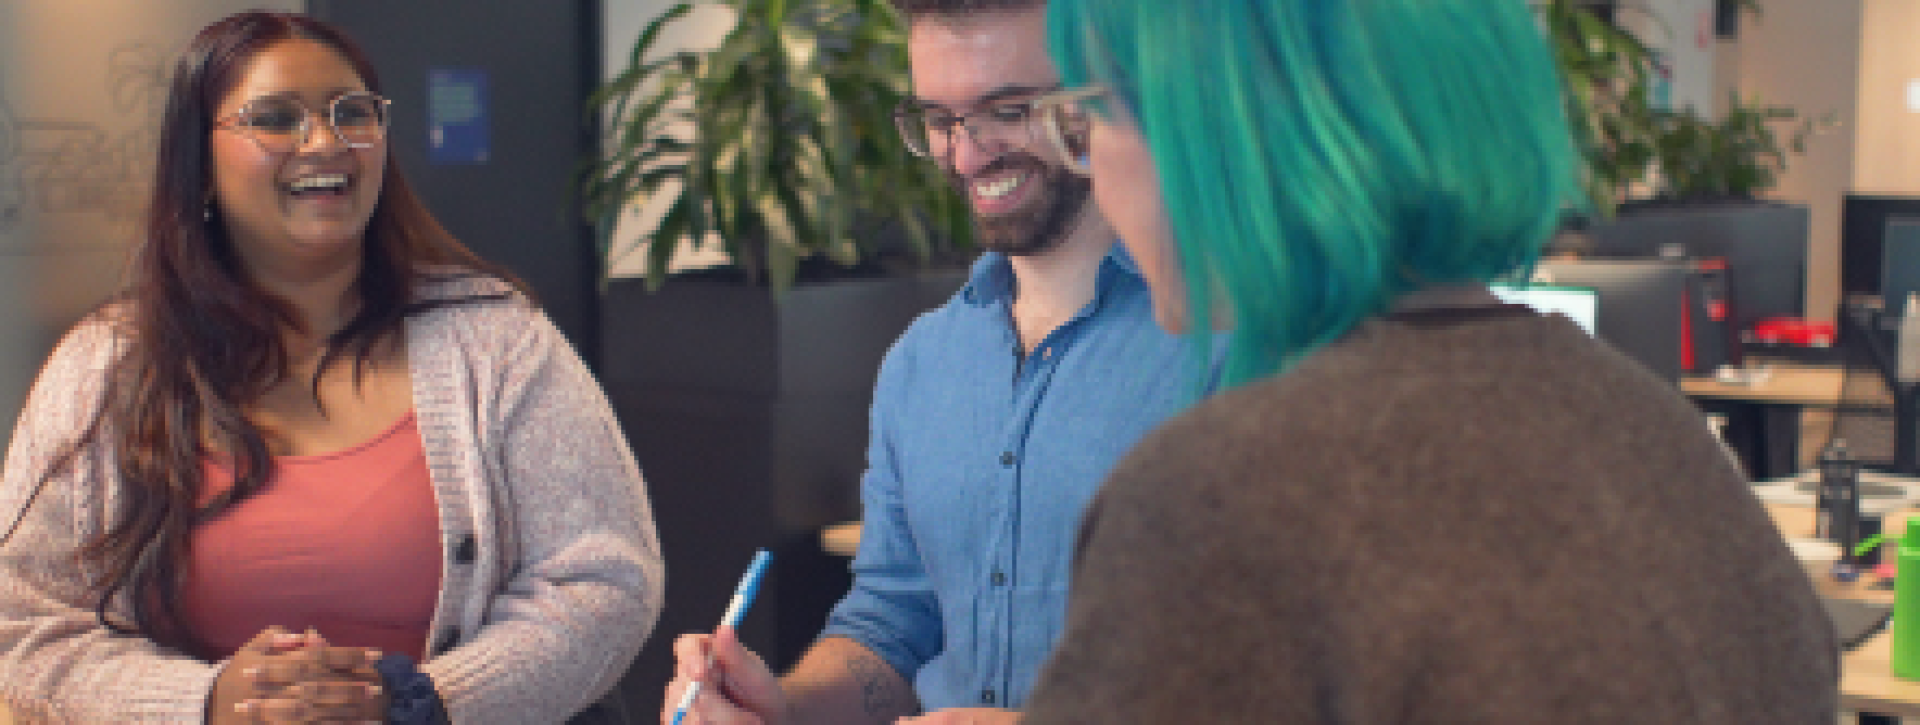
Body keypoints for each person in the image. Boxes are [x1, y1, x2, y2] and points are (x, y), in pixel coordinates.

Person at [1011, 0, 1841, 722]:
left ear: (1218, 129)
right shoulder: (1663, 437)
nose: (1091, 173)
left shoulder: (1217, 498)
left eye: (1090, 117)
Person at [0, 11, 663, 724]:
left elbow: (605, 577)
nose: (326, 141)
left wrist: (421, 701)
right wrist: (209, 703)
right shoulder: (107, 367)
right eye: (277, 119)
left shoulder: (498, 340)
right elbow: (27, 626)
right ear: (200, 165)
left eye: (352, 113)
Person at [661, 0, 1194, 723]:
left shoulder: (1227, 341)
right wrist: (780, 702)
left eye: (1007, 109)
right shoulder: (922, 362)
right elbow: (891, 625)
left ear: (1104, 92)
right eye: (940, 121)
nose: (968, 155)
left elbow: (1293, 658)